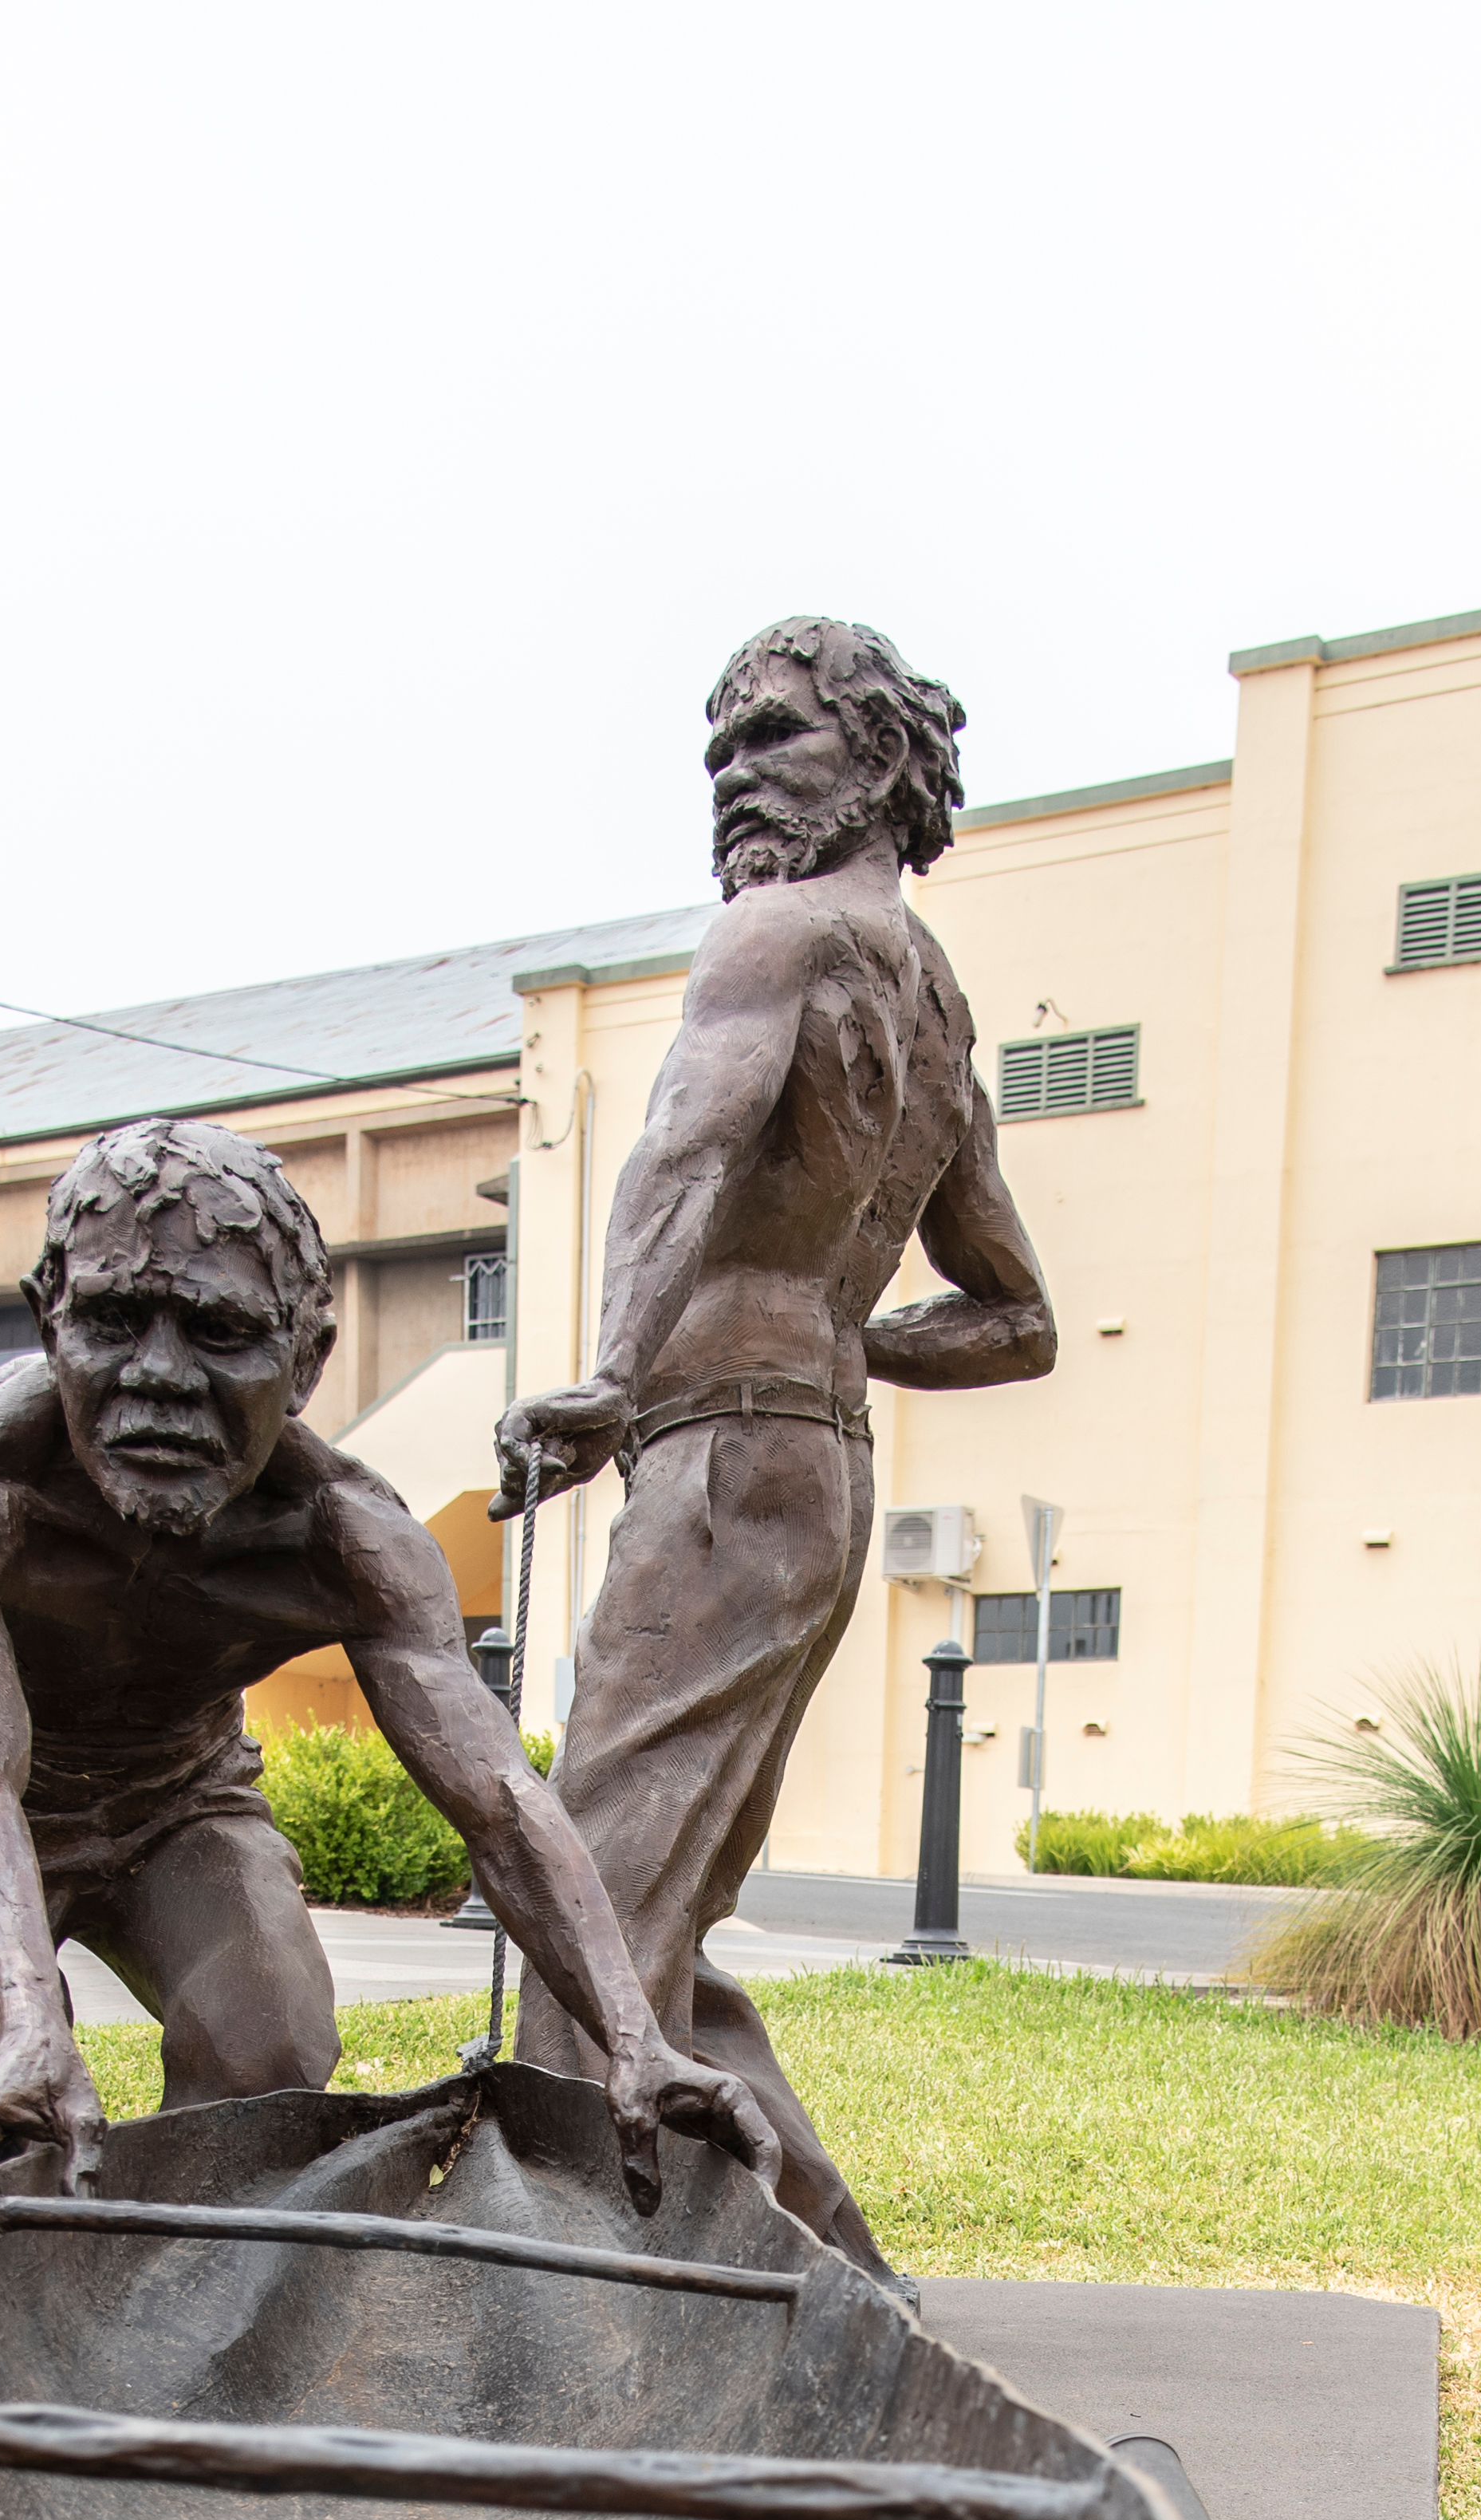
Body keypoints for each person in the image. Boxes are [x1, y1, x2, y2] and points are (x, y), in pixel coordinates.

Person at [0, 1115, 778, 2210]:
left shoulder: (345, 1536)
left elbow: (494, 1797)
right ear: (46, 1320)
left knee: (268, 2059)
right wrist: (25, 2014)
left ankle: (191, 2316)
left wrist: (632, 2036)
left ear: (306, 1360)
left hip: (182, 1806)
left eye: (219, 1334)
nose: (158, 1379)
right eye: (111, 1322)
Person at [494, 614, 1054, 2283]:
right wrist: (824, 1333)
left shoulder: (773, 938)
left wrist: (614, 1369)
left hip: (728, 1470)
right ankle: (823, 2269)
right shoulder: (934, 1006)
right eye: (721, 746)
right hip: (812, 1469)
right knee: (649, 1912)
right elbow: (1005, 1316)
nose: (735, 773)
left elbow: (680, 1154)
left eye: (776, 737)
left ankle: (575, 2281)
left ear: (881, 764)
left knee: (581, 1893)